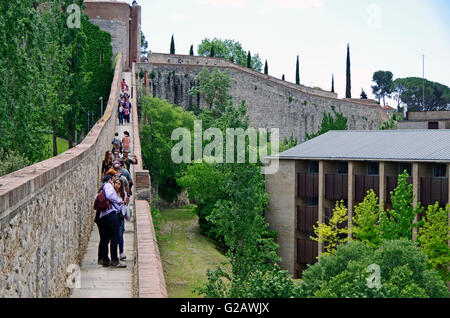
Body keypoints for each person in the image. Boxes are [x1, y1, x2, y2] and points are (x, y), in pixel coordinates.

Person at [97, 175, 127, 268]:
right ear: (110, 179)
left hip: (104, 215)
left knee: (105, 238)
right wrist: (119, 201)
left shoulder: (103, 187)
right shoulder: (108, 185)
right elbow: (110, 196)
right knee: (114, 237)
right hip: (111, 215)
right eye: (113, 178)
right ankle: (114, 260)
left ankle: (104, 259)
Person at [114, 177, 129, 261]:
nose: (117, 185)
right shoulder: (111, 193)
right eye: (116, 183)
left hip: (120, 216)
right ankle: (114, 254)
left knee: (120, 234)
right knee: (113, 236)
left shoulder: (123, 193)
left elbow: (124, 204)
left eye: (119, 183)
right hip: (113, 216)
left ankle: (121, 252)